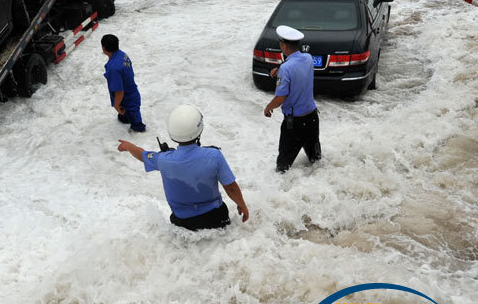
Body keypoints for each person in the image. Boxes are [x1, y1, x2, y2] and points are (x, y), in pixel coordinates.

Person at [117, 104, 249, 231]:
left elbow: (142, 155)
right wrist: (242, 205)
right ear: (199, 129)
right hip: (215, 218)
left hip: (182, 223)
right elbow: (231, 188)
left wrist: (129, 146)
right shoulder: (214, 156)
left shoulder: (163, 159)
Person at [263, 25, 321, 172]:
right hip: (312, 117)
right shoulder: (308, 58)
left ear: (283, 45)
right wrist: (279, 71)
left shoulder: (286, 69)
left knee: (282, 167)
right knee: (316, 160)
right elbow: (297, 68)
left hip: (294, 124)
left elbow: (280, 98)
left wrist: (268, 107)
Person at [102, 34, 146, 132]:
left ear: (104, 48)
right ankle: (125, 117)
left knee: (136, 123)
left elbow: (119, 92)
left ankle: (137, 129)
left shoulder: (113, 68)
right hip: (131, 92)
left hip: (128, 99)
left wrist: (116, 105)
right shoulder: (122, 54)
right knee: (124, 115)